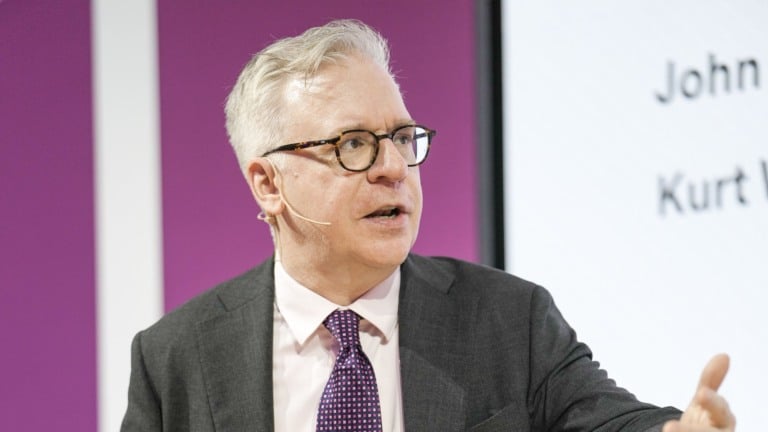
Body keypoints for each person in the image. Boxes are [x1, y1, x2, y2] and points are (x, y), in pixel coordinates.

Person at [121, 19, 736, 432]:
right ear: (268, 183)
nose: (393, 168)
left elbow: (609, 422)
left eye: (401, 138)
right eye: (354, 145)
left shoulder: (507, 320)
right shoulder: (176, 359)